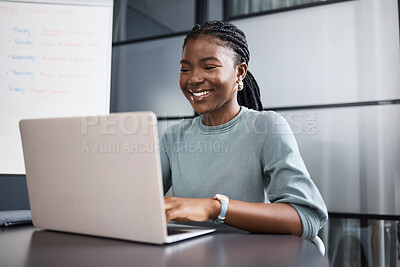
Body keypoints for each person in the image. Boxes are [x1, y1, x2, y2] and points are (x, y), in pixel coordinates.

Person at [160, 20, 328, 240]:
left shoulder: (265, 127)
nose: (194, 79)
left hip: (247, 256)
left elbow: (306, 217)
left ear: (239, 72)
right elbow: (140, 202)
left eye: (209, 67)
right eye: (185, 69)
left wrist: (215, 208)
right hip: (187, 255)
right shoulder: (173, 137)